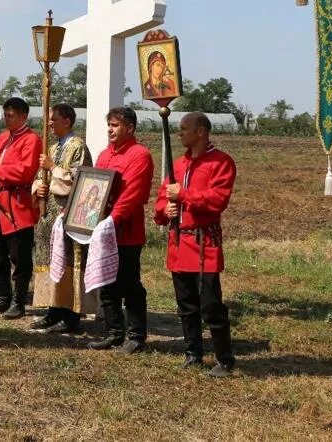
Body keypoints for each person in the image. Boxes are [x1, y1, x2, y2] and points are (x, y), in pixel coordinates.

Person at [154, 112, 237, 377]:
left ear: (201, 131)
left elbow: (217, 200)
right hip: (179, 242)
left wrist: (184, 195)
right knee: (186, 304)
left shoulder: (221, 162)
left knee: (211, 305)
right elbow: (162, 197)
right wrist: (164, 210)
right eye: (178, 129)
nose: (180, 133)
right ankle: (193, 353)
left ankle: (224, 359)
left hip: (204, 243)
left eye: (184, 129)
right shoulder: (177, 165)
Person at [88, 107, 154, 352]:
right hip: (103, 230)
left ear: (130, 128)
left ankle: (136, 336)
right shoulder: (105, 154)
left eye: (115, 125)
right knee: (106, 282)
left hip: (126, 232)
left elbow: (132, 195)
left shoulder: (140, 155)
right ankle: (113, 331)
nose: (110, 129)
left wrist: (111, 220)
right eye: (109, 125)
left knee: (129, 283)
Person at [31, 103, 93, 333]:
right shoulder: (54, 147)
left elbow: (81, 180)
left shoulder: (78, 147)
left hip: (68, 215)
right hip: (49, 215)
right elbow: (39, 176)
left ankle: (71, 314)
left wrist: (53, 169)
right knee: (50, 261)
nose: (49, 123)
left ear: (67, 121)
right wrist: (39, 188)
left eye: (53, 119)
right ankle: (53, 309)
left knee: (68, 262)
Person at [0, 97, 42, 319]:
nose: (6, 118)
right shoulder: (1, 139)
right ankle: (2, 297)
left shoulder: (32, 140)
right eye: (5, 114)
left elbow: (24, 171)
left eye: (11, 115)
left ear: (23, 116)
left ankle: (19, 301)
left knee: (20, 258)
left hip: (17, 207)